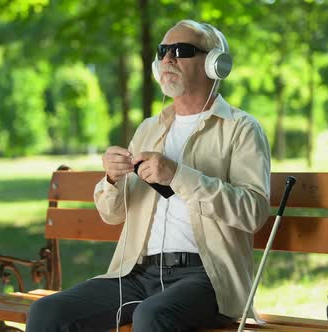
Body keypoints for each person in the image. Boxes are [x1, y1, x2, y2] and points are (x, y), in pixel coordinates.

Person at [26, 19, 271, 332]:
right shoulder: (148, 130)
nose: (167, 58)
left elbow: (253, 212)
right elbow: (112, 215)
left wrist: (179, 175)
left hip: (208, 277)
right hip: (135, 273)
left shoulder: (241, 129)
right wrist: (112, 180)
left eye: (181, 51)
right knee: (48, 311)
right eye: (163, 50)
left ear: (214, 65)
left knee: (152, 315)